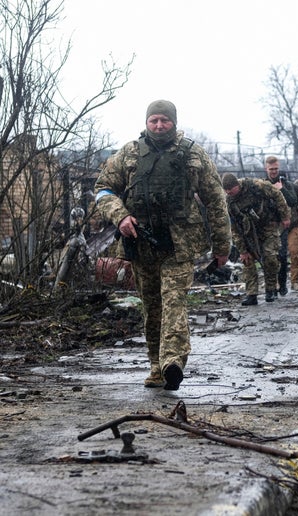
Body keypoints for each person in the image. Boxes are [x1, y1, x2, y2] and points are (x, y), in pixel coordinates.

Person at [94, 100, 231, 390]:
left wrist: (222, 245)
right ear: (146, 122)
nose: (158, 125)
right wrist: (120, 217)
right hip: (140, 243)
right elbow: (103, 190)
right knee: (152, 307)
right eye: (153, 120)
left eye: (164, 121)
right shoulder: (128, 154)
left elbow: (216, 200)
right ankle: (156, 367)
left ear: (174, 122)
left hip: (179, 244)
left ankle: (173, 362)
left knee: (173, 301)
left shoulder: (193, 154)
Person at [223, 174, 290, 305]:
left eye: (231, 191)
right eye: (226, 191)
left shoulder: (256, 186)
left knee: (270, 257)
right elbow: (234, 228)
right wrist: (242, 250)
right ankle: (251, 294)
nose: (229, 193)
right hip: (247, 232)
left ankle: (271, 289)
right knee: (247, 260)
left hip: (268, 226)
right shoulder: (229, 202)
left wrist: (285, 216)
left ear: (237, 186)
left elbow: (277, 195)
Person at [264, 156, 298, 294]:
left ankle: (295, 281)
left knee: (294, 253)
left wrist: (295, 221)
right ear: (266, 169)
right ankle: (279, 283)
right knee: (278, 256)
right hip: (274, 227)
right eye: (271, 169)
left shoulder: (290, 186)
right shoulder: (262, 186)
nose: (274, 172)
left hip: (292, 226)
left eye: (276, 168)